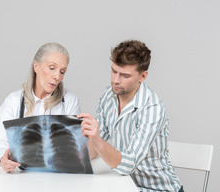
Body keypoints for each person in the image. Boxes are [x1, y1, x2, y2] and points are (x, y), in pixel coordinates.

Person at [78, 40, 183, 192]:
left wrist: (97, 141)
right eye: (114, 71)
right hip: (125, 185)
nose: (115, 80)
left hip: (158, 189)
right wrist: (78, 150)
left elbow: (127, 165)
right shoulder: (109, 95)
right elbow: (94, 149)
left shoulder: (152, 109)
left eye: (125, 76)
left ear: (143, 76)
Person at [0, 42, 81, 172]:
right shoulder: (14, 101)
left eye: (62, 71)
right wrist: (2, 160)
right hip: (19, 177)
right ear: (36, 66)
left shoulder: (70, 100)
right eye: (52, 68)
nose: (57, 76)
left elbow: (76, 149)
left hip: (58, 177)